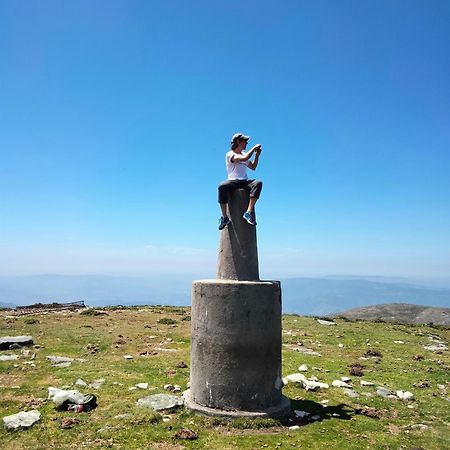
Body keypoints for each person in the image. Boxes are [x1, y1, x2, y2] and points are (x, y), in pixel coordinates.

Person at [218, 132, 263, 230]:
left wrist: (257, 155)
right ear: (238, 141)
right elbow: (245, 158)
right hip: (233, 181)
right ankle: (225, 217)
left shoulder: (244, 154)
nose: (246, 144)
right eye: (245, 141)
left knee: (257, 183)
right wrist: (254, 148)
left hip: (244, 181)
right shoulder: (230, 154)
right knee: (222, 186)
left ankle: (248, 212)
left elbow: (253, 167)